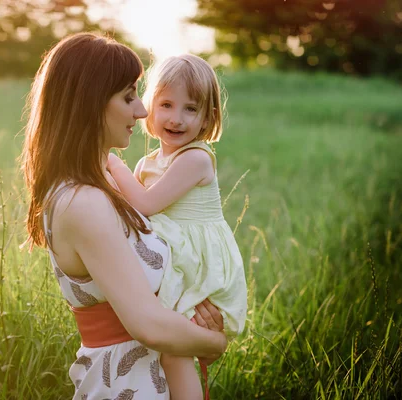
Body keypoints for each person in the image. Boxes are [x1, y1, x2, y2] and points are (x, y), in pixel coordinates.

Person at [22, 33, 228, 400]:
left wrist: (189, 317)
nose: (143, 111)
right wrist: (212, 342)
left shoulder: (102, 181)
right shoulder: (81, 201)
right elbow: (148, 324)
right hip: (126, 384)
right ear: (90, 103)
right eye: (129, 97)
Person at [107, 54, 248, 400]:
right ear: (150, 108)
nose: (175, 118)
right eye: (166, 104)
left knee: (175, 350)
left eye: (190, 108)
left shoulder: (196, 159)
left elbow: (145, 204)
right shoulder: (148, 162)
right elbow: (130, 210)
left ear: (207, 118)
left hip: (199, 266)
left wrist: (110, 160)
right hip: (177, 258)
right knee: (162, 348)